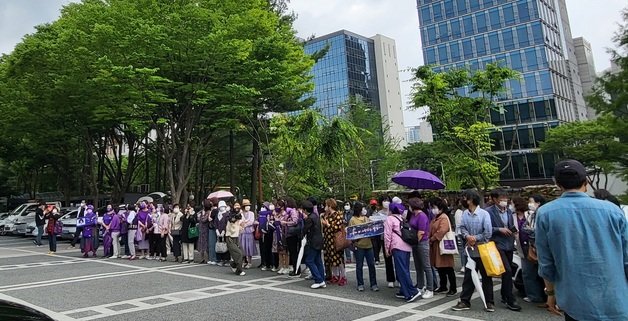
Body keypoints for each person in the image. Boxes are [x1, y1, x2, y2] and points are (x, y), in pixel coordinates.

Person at [536, 159, 628, 321]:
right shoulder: (613, 210)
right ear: (586, 181)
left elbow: (546, 263)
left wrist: (550, 294)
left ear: (557, 184)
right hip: (615, 299)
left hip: (575, 302)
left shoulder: (545, 213)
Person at [452, 189, 494, 312]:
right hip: (470, 250)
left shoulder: (484, 214)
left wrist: (474, 238)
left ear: (472, 200)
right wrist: (467, 236)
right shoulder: (465, 213)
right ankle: (465, 301)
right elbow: (462, 227)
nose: (464, 200)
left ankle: (489, 302)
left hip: (482, 249)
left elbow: (488, 232)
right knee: (468, 276)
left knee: (486, 276)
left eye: (467, 198)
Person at [485, 189, 522, 311]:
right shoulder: (488, 212)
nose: (504, 200)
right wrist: (499, 229)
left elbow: (510, 225)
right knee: (507, 271)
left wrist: (515, 232)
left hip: (509, 244)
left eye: (505, 198)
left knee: (508, 270)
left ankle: (504, 294)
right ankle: (510, 299)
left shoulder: (509, 211)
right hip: (497, 244)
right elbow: (487, 228)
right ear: (495, 199)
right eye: (501, 198)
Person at [384, 202, 420, 303]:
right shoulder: (401, 218)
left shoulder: (389, 219)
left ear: (391, 210)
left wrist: (387, 249)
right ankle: (403, 290)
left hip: (397, 247)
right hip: (407, 247)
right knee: (405, 269)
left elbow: (387, 235)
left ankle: (411, 292)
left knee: (401, 270)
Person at [513, 195, 545, 304]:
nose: (529, 204)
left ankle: (548, 296)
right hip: (523, 247)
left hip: (537, 246)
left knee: (543, 272)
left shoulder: (532, 215)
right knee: (528, 273)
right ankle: (534, 295)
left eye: (531, 202)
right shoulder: (512, 216)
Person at [429, 198, 457, 297]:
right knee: (440, 267)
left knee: (448, 268)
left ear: (440, 208)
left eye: (434, 207)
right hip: (438, 246)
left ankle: (453, 288)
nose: (433, 209)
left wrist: (432, 238)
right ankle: (443, 286)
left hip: (443, 245)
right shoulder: (436, 217)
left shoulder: (443, 217)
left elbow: (442, 230)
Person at [407, 197, 433, 299]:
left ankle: (430, 288)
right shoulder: (414, 215)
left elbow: (421, 232)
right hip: (415, 243)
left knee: (426, 266)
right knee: (418, 266)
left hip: (422, 242)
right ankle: (420, 285)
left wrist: (415, 241)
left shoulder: (422, 216)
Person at [349, 203, 378, 292]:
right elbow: (351, 233)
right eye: (362, 209)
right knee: (359, 265)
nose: (364, 210)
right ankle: (360, 284)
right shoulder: (353, 220)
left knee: (371, 265)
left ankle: (373, 284)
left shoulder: (367, 218)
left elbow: (373, 229)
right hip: (359, 246)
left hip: (369, 245)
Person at [371, 196, 396, 288]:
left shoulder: (394, 211)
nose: (386, 202)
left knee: (398, 260)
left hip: (395, 238)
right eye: (384, 201)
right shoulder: (378, 213)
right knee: (388, 259)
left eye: (388, 200)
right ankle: (390, 279)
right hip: (384, 238)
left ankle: (400, 279)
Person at [321, 199, 347, 286]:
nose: (325, 207)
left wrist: (327, 224)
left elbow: (337, 227)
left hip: (336, 240)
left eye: (326, 205)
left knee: (339, 259)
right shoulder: (326, 215)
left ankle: (343, 276)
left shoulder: (338, 215)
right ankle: (335, 276)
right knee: (331, 259)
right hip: (328, 240)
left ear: (330, 206)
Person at [302, 200, 325, 289]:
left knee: (309, 260)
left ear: (305, 210)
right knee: (318, 260)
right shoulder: (316, 216)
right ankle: (322, 279)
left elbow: (304, 230)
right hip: (319, 240)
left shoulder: (309, 218)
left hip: (313, 242)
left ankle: (319, 280)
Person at [225, 205, 246, 276]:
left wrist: (241, 226)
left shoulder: (237, 221)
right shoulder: (230, 221)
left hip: (236, 238)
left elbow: (239, 227)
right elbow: (232, 229)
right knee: (239, 253)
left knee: (239, 253)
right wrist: (236, 223)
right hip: (230, 238)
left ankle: (233, 264)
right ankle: (239, 270)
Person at [239, 199, 257, 269]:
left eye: (248, 206)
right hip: (242, 232)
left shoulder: (251, 213)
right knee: (242, 247)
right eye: (246, 206)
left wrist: (245, 224)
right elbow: (240, 221)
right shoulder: (241, 213)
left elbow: (251, 221)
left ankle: (249, 262)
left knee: (249, 247)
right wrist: (243, 223)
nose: (248, 207)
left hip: (249, 232)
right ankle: (244, 261)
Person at [453, 197, 466, 273]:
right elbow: (459, 224)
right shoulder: (459, 212)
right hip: (460, 233)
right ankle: (463, 265)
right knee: (462, 250)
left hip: (464, 233)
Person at [206, 198, 218, 265]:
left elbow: (210, 219)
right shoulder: (218, 210)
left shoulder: (214, 210)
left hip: (212, 228)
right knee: (213, 243)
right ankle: (213, 258)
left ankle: (213, 258)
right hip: (215, 228)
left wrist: (210, 213)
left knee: (212, 243)